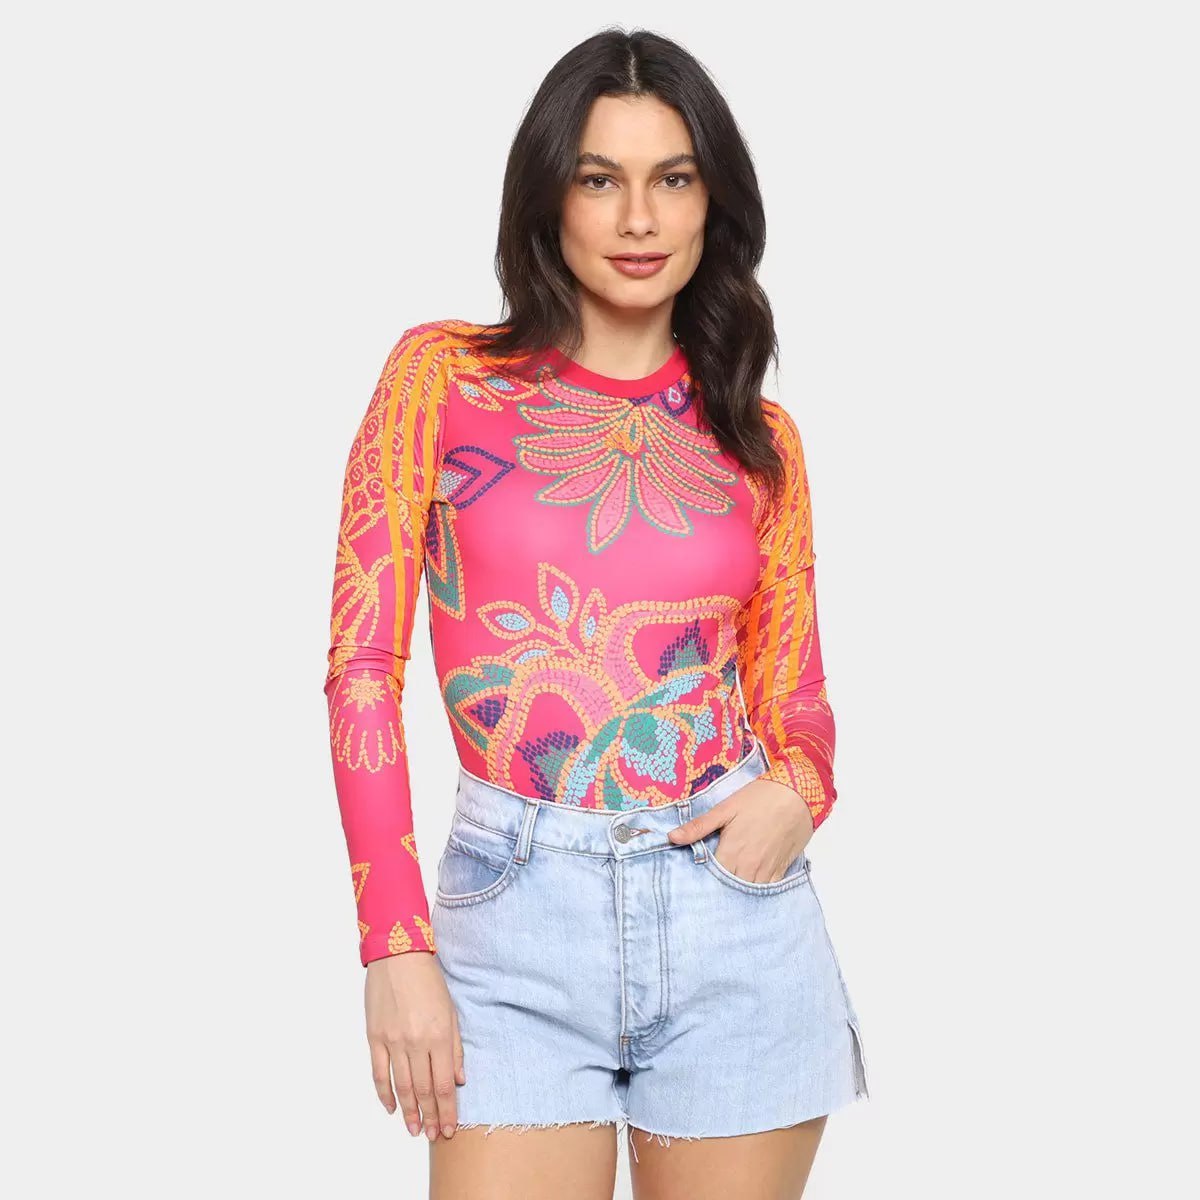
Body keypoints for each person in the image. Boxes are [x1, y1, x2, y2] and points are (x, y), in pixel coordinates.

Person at [323, 27, 869, 1200]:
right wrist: (394, 944)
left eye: (672, 178)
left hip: (735, 925)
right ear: (548, 197)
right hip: (511, 927)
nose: (638, 218)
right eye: (598, 178)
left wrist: (796, 795)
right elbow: (363, 668)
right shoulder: (440, 380)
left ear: (713, 202)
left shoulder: (760, 441)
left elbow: (799, 700)